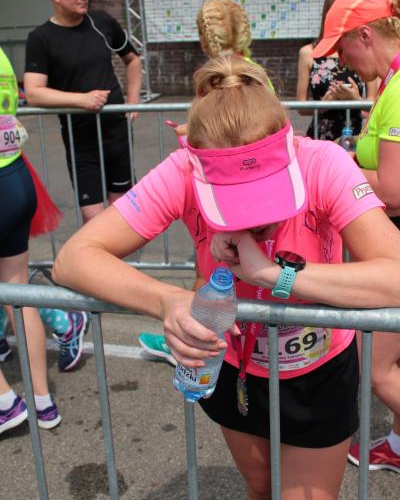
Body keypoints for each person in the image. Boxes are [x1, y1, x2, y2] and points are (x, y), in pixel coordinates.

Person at [52, 54, 400, 499]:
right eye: (235, 200)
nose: (255, 220)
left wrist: (275, 275)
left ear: (288, 148)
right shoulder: (183, 169)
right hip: (232, 365)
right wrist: (167, 301)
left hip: (318, 370)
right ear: (199, 166)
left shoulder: (322, 162)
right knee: (261, 486)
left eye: (268, 198)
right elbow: (74, 258)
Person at [138, 0, 270, 363]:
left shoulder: (221, 78)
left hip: (222, 192)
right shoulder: (253, 72)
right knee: (224, 271)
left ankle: (202, 345)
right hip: (249, 192)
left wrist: (191, 137)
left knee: (213, 271)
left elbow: (233, 137)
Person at [311, 0, 400, 473]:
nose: (341, 61)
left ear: (365, 35)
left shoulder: (398, 88)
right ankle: (398, 446)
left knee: (377, 367)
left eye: (342, 47)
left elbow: (394, 187)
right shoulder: (390, 82)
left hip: (394, 245)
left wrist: (337, 169)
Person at [24, 0, 142, 223]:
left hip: (116, 132)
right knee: (94, 218)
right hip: (81, 140)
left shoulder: (102, 22)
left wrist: (133, 101)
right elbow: (33, 93)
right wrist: (82, 100)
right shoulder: (41, 38)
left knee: (124, 211)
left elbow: (133, 60)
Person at [0, 47, 61, 433]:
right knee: (17, 293)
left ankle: (5, 401)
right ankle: (43, 401)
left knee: (16, 292)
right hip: (15, 177)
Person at [296, 0, 378, 140]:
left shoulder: (365, 50)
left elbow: (374, 103)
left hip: (353, 136)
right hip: (321, 137)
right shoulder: (308, 53)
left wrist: (356, 100)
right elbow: (300, 106)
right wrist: (323, 104)